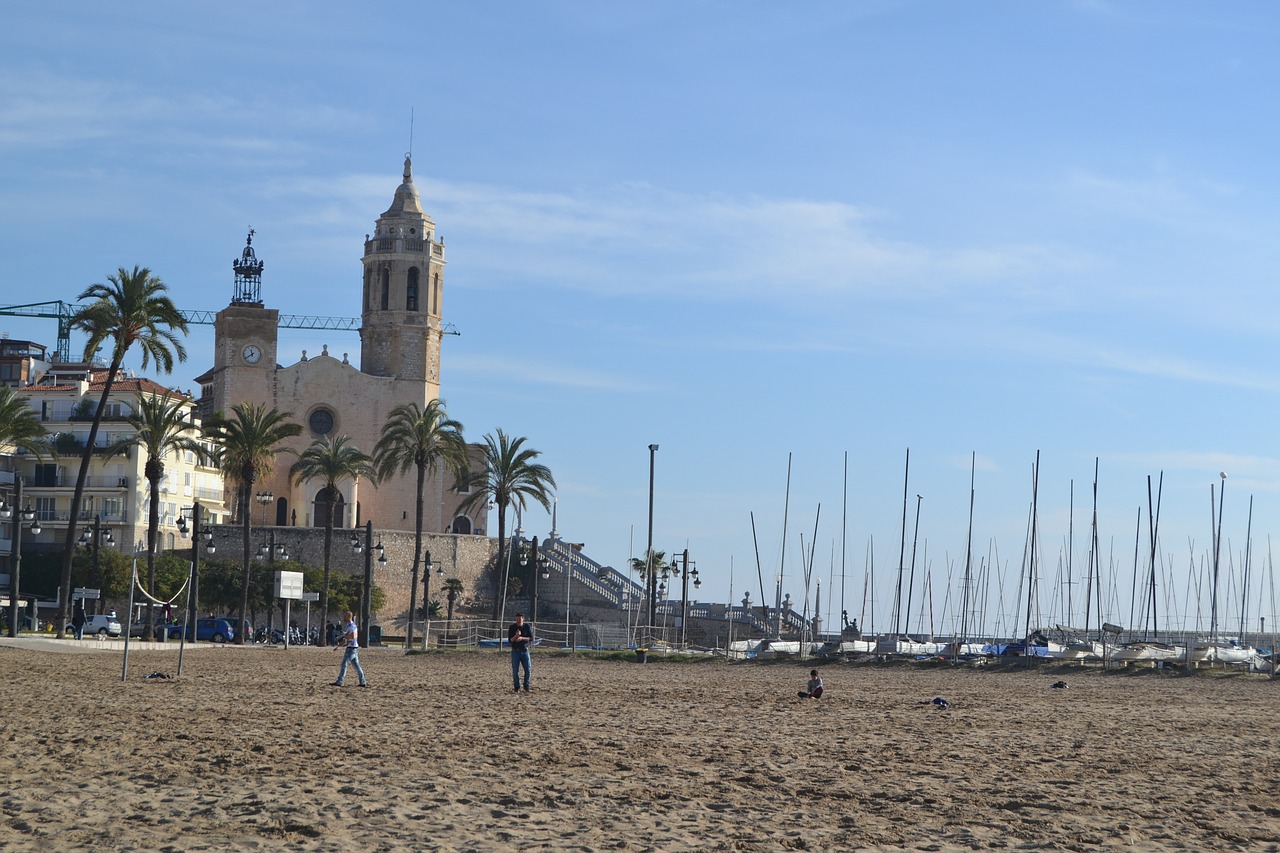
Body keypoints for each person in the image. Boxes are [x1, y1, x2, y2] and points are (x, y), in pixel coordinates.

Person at [331, 610, 367, 688]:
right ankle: (363, 681)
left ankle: (339, 681)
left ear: (349, 617)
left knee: (344, 664)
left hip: (351, 649)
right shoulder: (348, 626)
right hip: (352, 648)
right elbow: (346, 640)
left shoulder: (352, 626)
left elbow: (353, 636)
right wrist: (338, 646)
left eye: (345, 616)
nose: (344, 617)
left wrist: (345, 636)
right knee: (357, 666)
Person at [508, 612, 533, 693]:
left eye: (520, 619)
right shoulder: (512, 627)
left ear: (523, 619)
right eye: (517, 619)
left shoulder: (527, 627)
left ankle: (526, 685)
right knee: (515, 670)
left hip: (525, 650)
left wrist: (522, 638)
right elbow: (510, 640)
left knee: (528, 669)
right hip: (515, 651)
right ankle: (516, 687)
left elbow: (531, 638)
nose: (518, 621)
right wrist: (516, 636)